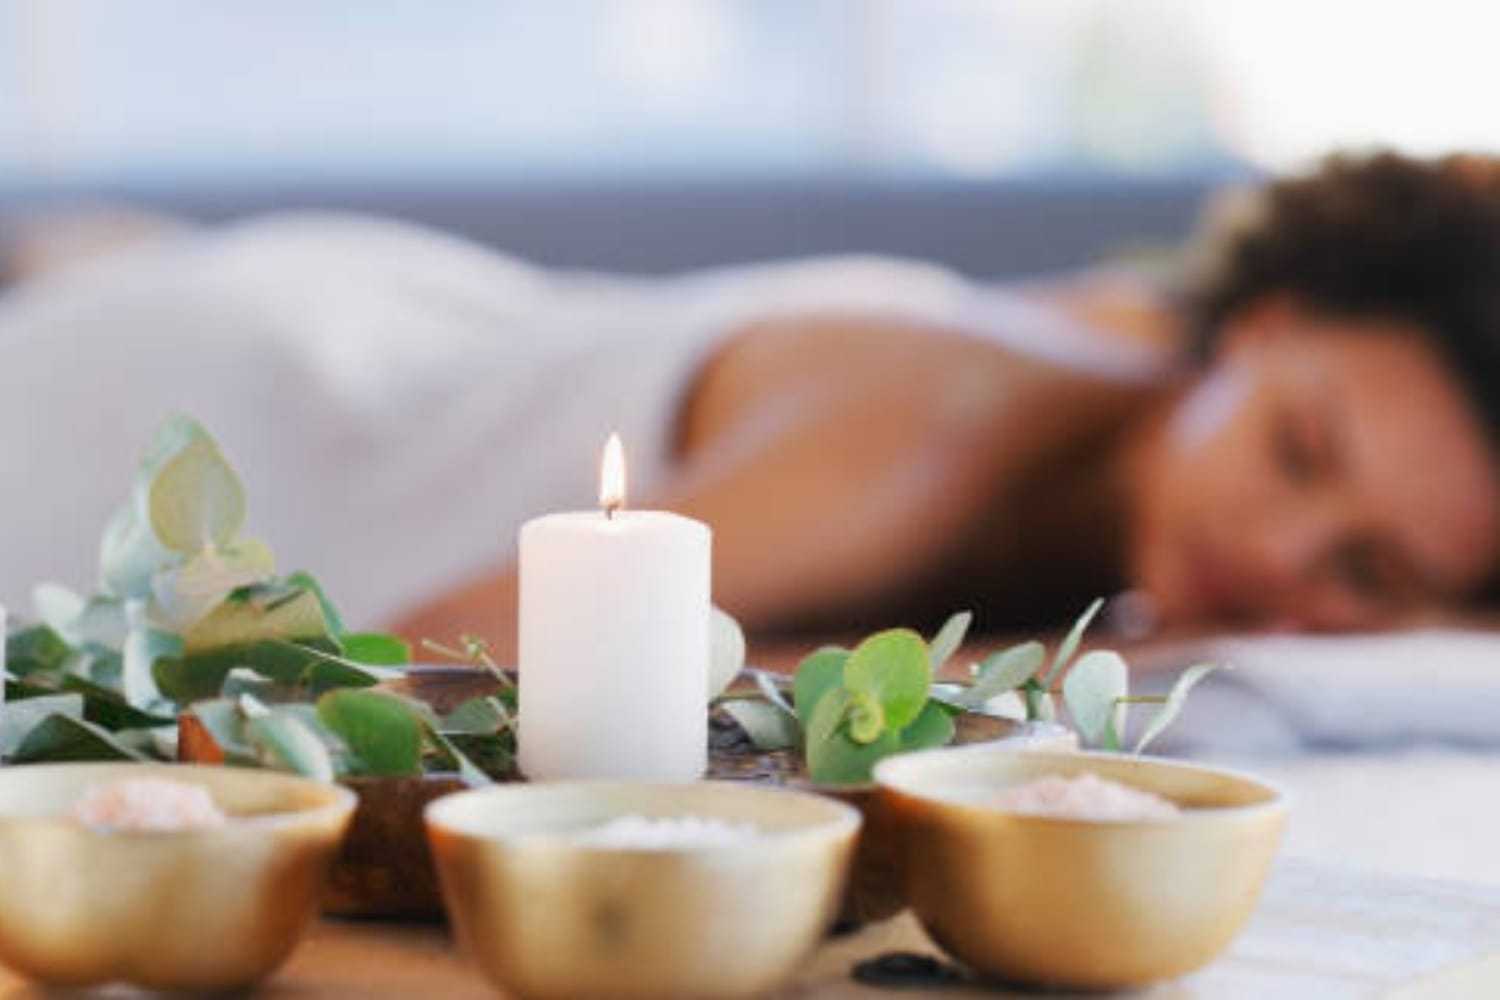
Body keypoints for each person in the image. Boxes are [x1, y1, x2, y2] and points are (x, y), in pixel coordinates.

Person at [3, 153, 1497, 661]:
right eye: (1303, 449)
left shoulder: (1119, 385)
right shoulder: (931, 436)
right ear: (1263, 318)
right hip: (248, 424)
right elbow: (407, 676)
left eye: (1372, 571)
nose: (1284, 553)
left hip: (417, 331)